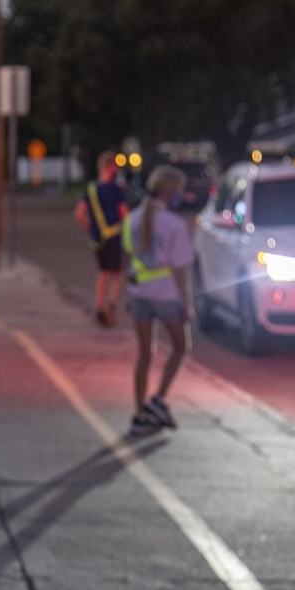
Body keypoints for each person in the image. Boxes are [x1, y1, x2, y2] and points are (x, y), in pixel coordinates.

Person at [122, 165, 194, 437]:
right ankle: (159, 398)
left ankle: (139, 413)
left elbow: (126, 260)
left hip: (140, 293)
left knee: (144, 354)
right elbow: (180, 268)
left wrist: (125, 295)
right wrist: (186, 304)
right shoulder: (174, 225)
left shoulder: (132, 219)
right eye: (180, 191)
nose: (183, 196)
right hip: (166, 296)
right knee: (180, 347)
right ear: (168, 191)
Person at [76, 151, 128, 326]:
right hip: (114, 235)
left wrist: (91, 228)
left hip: (98, 238)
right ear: (110, 166)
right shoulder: (116, 189)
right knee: (117, 273)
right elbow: (124, 213)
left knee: (103, 272)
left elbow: (80, 213)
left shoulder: (91, 189)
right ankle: (111, 305)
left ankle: (99, 308)